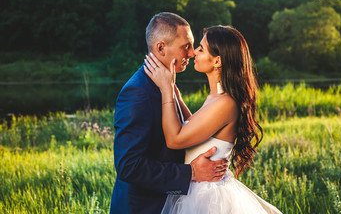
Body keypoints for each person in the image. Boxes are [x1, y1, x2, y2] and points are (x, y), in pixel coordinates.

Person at [144, 25, 282, 213]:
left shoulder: (225, 103)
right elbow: (195, 127)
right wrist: (175, 91)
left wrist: (166, 90)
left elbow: (175, 139)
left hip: (206, 199)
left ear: (217, 61)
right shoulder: (216, 98)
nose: (193, 53)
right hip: (196, 190)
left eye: (200, 49)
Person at [110, 13, 229, 214]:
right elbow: (128, 166)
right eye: (186, 46)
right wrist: (190, 173)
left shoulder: (167, 85)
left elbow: (189, 131)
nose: (192, 53)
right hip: (143, 208)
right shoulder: (138, 92)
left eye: (194, 46)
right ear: (161, 48)